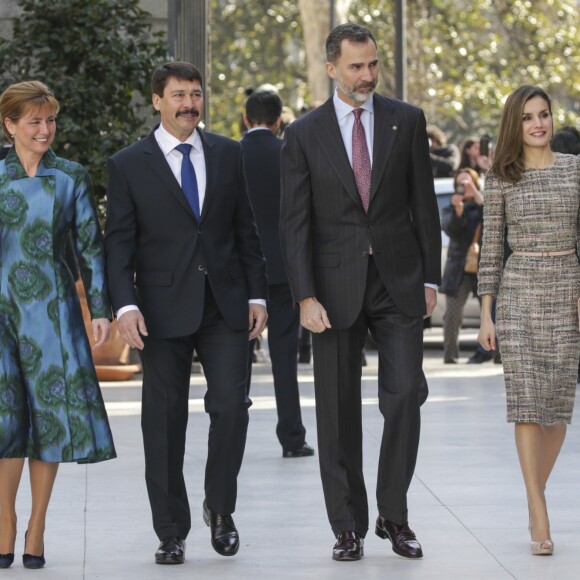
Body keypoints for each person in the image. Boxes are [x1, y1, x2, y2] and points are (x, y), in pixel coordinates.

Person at [280, 23, 441, 562]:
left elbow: (424, 205)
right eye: (355, 66)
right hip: (332, 289)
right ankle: (346, 525)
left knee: (404, 398)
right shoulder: (303, 134)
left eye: (372, 65)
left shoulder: (406, 120)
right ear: (331, 68)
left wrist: (429, 279)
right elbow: (295, 223)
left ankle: (393, 515)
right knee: (337, 411)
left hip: (398, 282)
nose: (367, 75)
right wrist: (304, 295)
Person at [104, 61, 268, 564]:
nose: (188, 104)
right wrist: (124, 305)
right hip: (158, 311)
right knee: (164, 420)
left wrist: (257, 295)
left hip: (224, 305)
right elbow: (118, 245)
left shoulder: (228, 153)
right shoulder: (128, 164)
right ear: (157, 100)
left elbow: (246, 230)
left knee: (231, 408)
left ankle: (220, 509)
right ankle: (170, 530)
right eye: (178, 94)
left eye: (195, 94)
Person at [0, 81, 116, 570]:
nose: (45, 129)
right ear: (9, 126)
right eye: (34, 121)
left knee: (49, 419)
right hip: (1, 313)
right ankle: (4, 520)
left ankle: (37, 525)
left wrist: (104, 309)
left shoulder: (71, 177)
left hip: (54, 314)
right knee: (6, 421)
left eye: (50, 120)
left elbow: (90, 245)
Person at [477, 85, 580, 556]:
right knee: (525, 403)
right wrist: (486, 314)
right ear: (514, 125)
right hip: (519, 293)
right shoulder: (501, 177)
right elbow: (492, 248)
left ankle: (533, 492)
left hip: (566, 292)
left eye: (543, 115)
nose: (538, 124)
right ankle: (539, 510)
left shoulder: (576, 171)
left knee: (557, 410)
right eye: (527, 117)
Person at [241, 90, 314, 458]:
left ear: (244, 118)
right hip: (284, 269)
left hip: (241, 272)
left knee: (238, 356)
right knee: (285, 356)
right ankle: (292, 437)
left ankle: (233, 431)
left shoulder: (228, 154)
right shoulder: (288, 154)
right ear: (279, 121)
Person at [439, 168, 486, 363]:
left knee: (492, 313)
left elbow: (494, 220)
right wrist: (458, 212)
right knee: (452, 315)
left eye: (468, 182)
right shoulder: (451, 207)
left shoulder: (482, 204)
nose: (464, 187)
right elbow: (451, 231)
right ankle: (450, 356)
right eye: (460, 184)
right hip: (458, 267)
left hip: (483, 267)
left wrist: (476, 195)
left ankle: (498, 355)